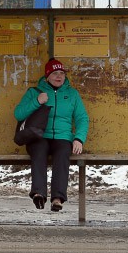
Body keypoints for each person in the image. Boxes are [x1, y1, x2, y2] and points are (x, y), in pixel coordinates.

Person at [14, 58, 89, 211]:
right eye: (55, 73)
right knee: (39, 151)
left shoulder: (72, 94)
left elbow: (82, 118)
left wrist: (78, 139)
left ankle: (57, 198)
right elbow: (18, 114)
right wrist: (37, 101)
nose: (59, 76)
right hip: (39, 136)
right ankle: (38, 194)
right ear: (47, 75)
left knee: (62, 154)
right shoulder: (34, 92)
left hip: (62, 137)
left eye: (62, 73)